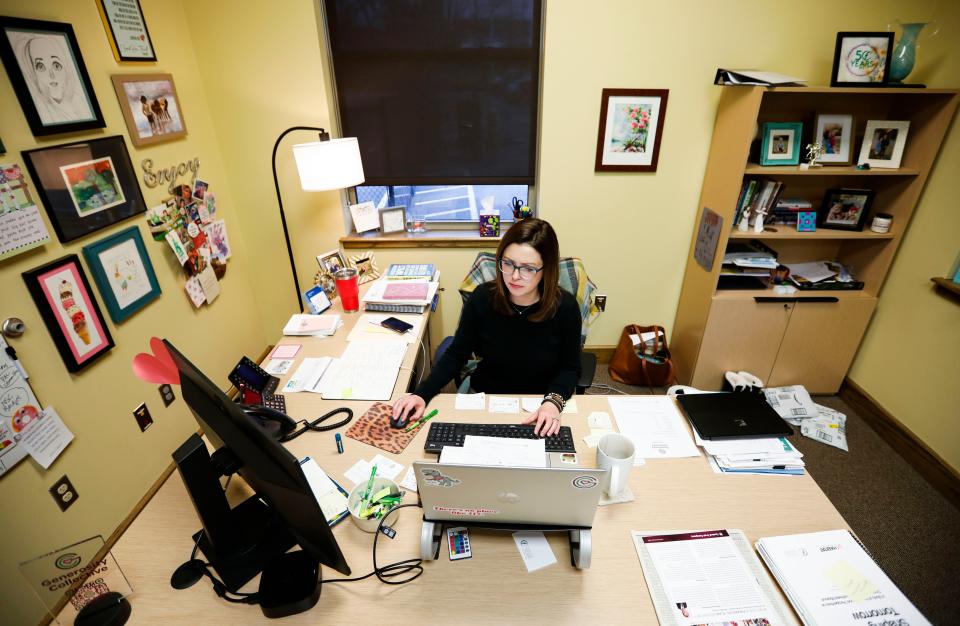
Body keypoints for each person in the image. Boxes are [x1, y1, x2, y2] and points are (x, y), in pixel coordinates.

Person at [392, 218, 582, 436]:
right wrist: (421, 394)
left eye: (528, 268)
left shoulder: (565, 307)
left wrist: (554, 402)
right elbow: (456, 354)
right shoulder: (483, 298)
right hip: (487, 397)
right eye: (508, 263)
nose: (515, 276)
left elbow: (570, 367)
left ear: (546, 270)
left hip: (540, 402)